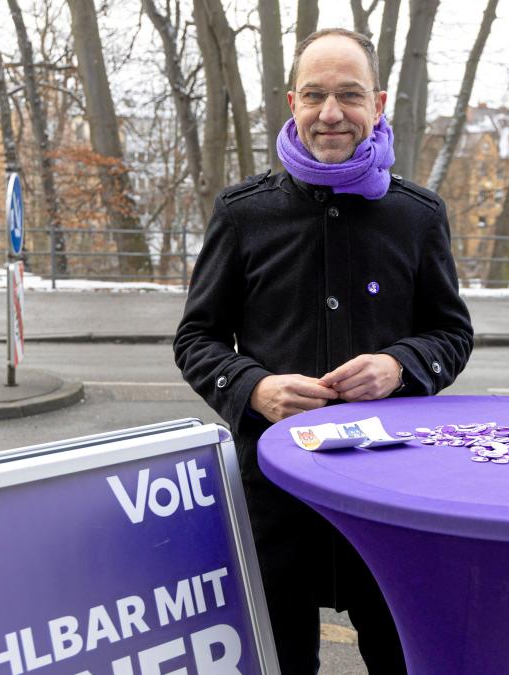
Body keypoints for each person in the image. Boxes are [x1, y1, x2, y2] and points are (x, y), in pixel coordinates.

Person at [174, 27, 473, 674]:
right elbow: (196, 338)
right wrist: (254, 387)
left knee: (402, 658)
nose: (330, 113)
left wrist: (400, 366)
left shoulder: (417, 216)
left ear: (378, 103)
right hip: (274, 495)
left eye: (349, 95)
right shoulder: (243, 214)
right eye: (314, 95)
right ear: (293, 103)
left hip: (391, 494)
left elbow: (452, 333)